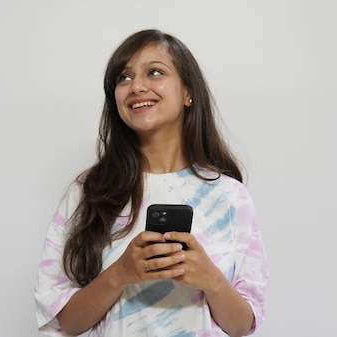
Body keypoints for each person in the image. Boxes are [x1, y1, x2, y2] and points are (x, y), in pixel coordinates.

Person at [34, 29, 268, 337]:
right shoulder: (88, 192)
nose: (137, 87)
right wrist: (121, 274)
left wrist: (209, 278)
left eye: (154, 72)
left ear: (188, 92)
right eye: (124, 78)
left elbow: (242, 326)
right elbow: (64, 322)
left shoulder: (230, 197)